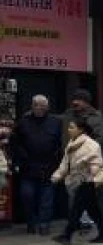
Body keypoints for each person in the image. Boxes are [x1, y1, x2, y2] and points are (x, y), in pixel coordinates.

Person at [9, 95, 63, 234]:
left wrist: (57, 160)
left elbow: (59, 143)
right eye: (36, 104)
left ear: (47, 107)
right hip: (28, 166)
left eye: (42, 105)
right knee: (27, 195)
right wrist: (20, 158)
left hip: (48, 165)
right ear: (32, 106)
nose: (39, 107)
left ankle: (44, 224)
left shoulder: (55, 122)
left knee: (47, 198)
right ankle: (31, 221)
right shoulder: (23, 122)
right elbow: (15, 142)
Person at [51, 118, 103, 245]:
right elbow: (65, 163)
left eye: (72, 127)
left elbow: (97, 162)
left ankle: (67, 235)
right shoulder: (71, 144)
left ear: (81, 129)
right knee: (94, 210)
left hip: (88, 181)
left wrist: (93, 175)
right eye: (69, 127)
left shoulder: (91, 144)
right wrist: (57, 175)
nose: (69, 130)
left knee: (76, 209)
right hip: (77, 181)